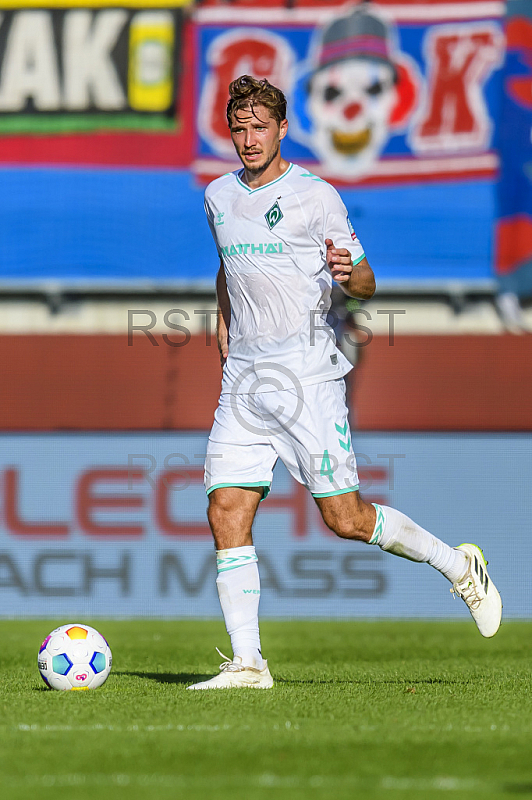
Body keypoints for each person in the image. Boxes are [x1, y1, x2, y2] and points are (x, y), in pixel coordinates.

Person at [187, 75, 502, 691]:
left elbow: (365, 282)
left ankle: (456, 563)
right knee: (226, 507)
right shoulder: (218, 195)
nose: (249, 138)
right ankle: (249, 663)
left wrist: (344, 274)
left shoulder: (315, 197)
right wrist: (223, 323)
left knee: (346, 519)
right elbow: (228, 265)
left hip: (306, 377)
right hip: (245, 379)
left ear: (282, 129)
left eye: (260, 126)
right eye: (239, 127)